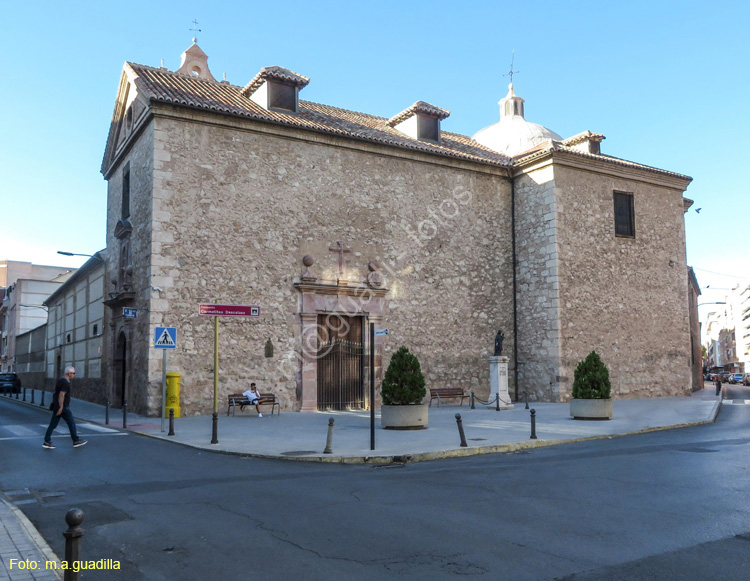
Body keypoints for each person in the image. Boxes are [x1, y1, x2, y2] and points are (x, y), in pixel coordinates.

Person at [43, 367, 87, 449]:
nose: (74, 375)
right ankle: (76, 440)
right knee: (71, 423)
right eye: (73, 373)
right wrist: (61, 407)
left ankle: (47, 441)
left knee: (53, 424)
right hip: (63, 407)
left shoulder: (61, 380)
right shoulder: (65, 382)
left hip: (57, 406)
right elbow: (61, 394)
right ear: (69, 374)